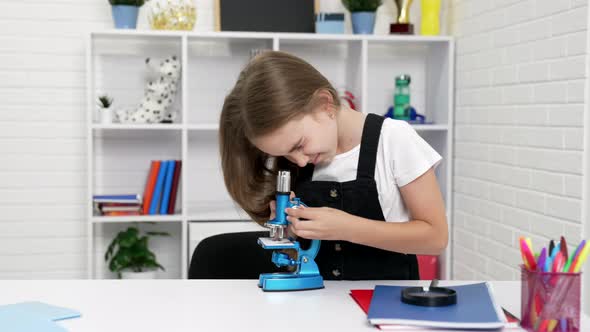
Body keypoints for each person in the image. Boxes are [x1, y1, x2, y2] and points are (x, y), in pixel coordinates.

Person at [219, 51, 447, 280]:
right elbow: (298, 257)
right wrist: (292, 235)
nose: (299, 160)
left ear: (324, 104)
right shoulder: (304, 159)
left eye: (299, 145)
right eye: (287, 154)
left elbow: (436, 238)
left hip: (387, 301)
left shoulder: (394, 139)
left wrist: (347, 228)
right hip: (319, 302)